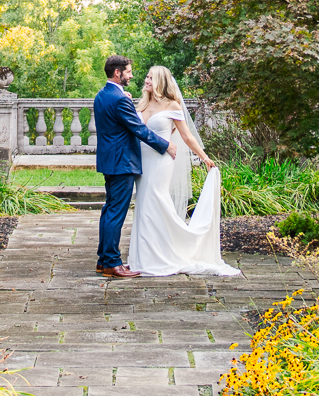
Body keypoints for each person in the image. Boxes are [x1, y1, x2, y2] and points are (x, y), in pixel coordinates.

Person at [128, 65, 236, 277]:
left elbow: (186, 136)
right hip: (142, 162)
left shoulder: (172, 105)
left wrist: (204, 157)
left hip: (161, 161)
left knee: (156, 200)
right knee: (143, 205)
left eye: (151, 77)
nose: (146, 80)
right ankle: (144, 256)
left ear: (160, 81)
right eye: (147, 77)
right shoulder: (141, 104)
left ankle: (170, 251)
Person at [91, 55, 168, 279]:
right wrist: (165, 146)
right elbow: (139, 130)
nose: (131, 75)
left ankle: (103, 260)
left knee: (109, 210)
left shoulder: (102, 95)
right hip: (122, 162)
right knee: (116, 212)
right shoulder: (120, 99)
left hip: (109, 160)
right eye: (129, 71)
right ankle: (113, 264)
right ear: (118, 73)